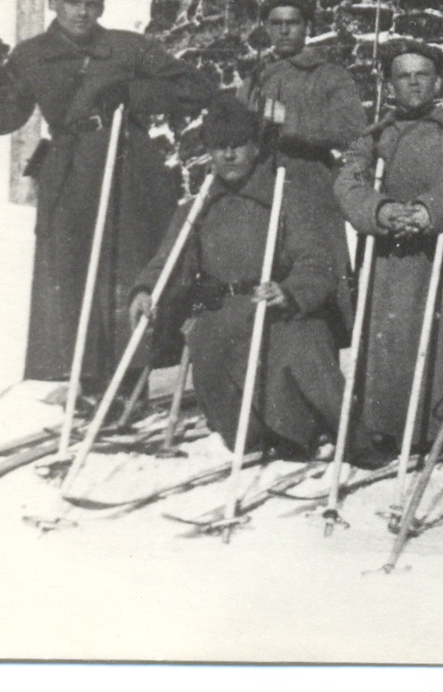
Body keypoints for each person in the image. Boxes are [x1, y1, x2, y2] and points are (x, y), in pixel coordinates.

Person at [0, 0, 216, 384]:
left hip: (128, 168)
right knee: (71, 274)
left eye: (91, 5)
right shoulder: (31, 55)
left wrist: (134, 94)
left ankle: (132, 380)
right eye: (73, 2)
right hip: (69, 176)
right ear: (54, 2)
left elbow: (195, 88)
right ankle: (85, 381)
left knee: (128, 268)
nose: (82, 13)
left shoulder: (128, 48)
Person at [129, 98, 343, 457]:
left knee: (292, 358)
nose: (229, 155)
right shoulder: (197, 207)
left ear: (255, 148)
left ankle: (303, 433)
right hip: (222, 311)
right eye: (219, 147)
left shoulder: (285, 198)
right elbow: (169, 260)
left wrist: (290, 292)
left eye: (237, 145)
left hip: (278, 306)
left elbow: (315, 261)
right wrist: (147, 290)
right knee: (214, 360)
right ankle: (251, 437)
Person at [333, 41, 443, 459]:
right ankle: (386, 427)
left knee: (442, 342)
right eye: (404, 75)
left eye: (423, 73)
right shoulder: (374, 137)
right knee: (390, 344)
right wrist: (381, 211)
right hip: (388, 257)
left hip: (442, 252)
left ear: (438, 80)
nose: (414, 81)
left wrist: (428, 210)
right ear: (390, 85)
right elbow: (349, 184)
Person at [237, 0, 366, 332]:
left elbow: (354, 129)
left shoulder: (328, 75)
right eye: (275, 23)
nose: (283, 30)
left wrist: (288, 118)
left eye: (292, 22)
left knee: (317, 272)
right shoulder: (254, 80)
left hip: (309, 185)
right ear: (266, 27)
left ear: (307, 26)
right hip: (262, 185)